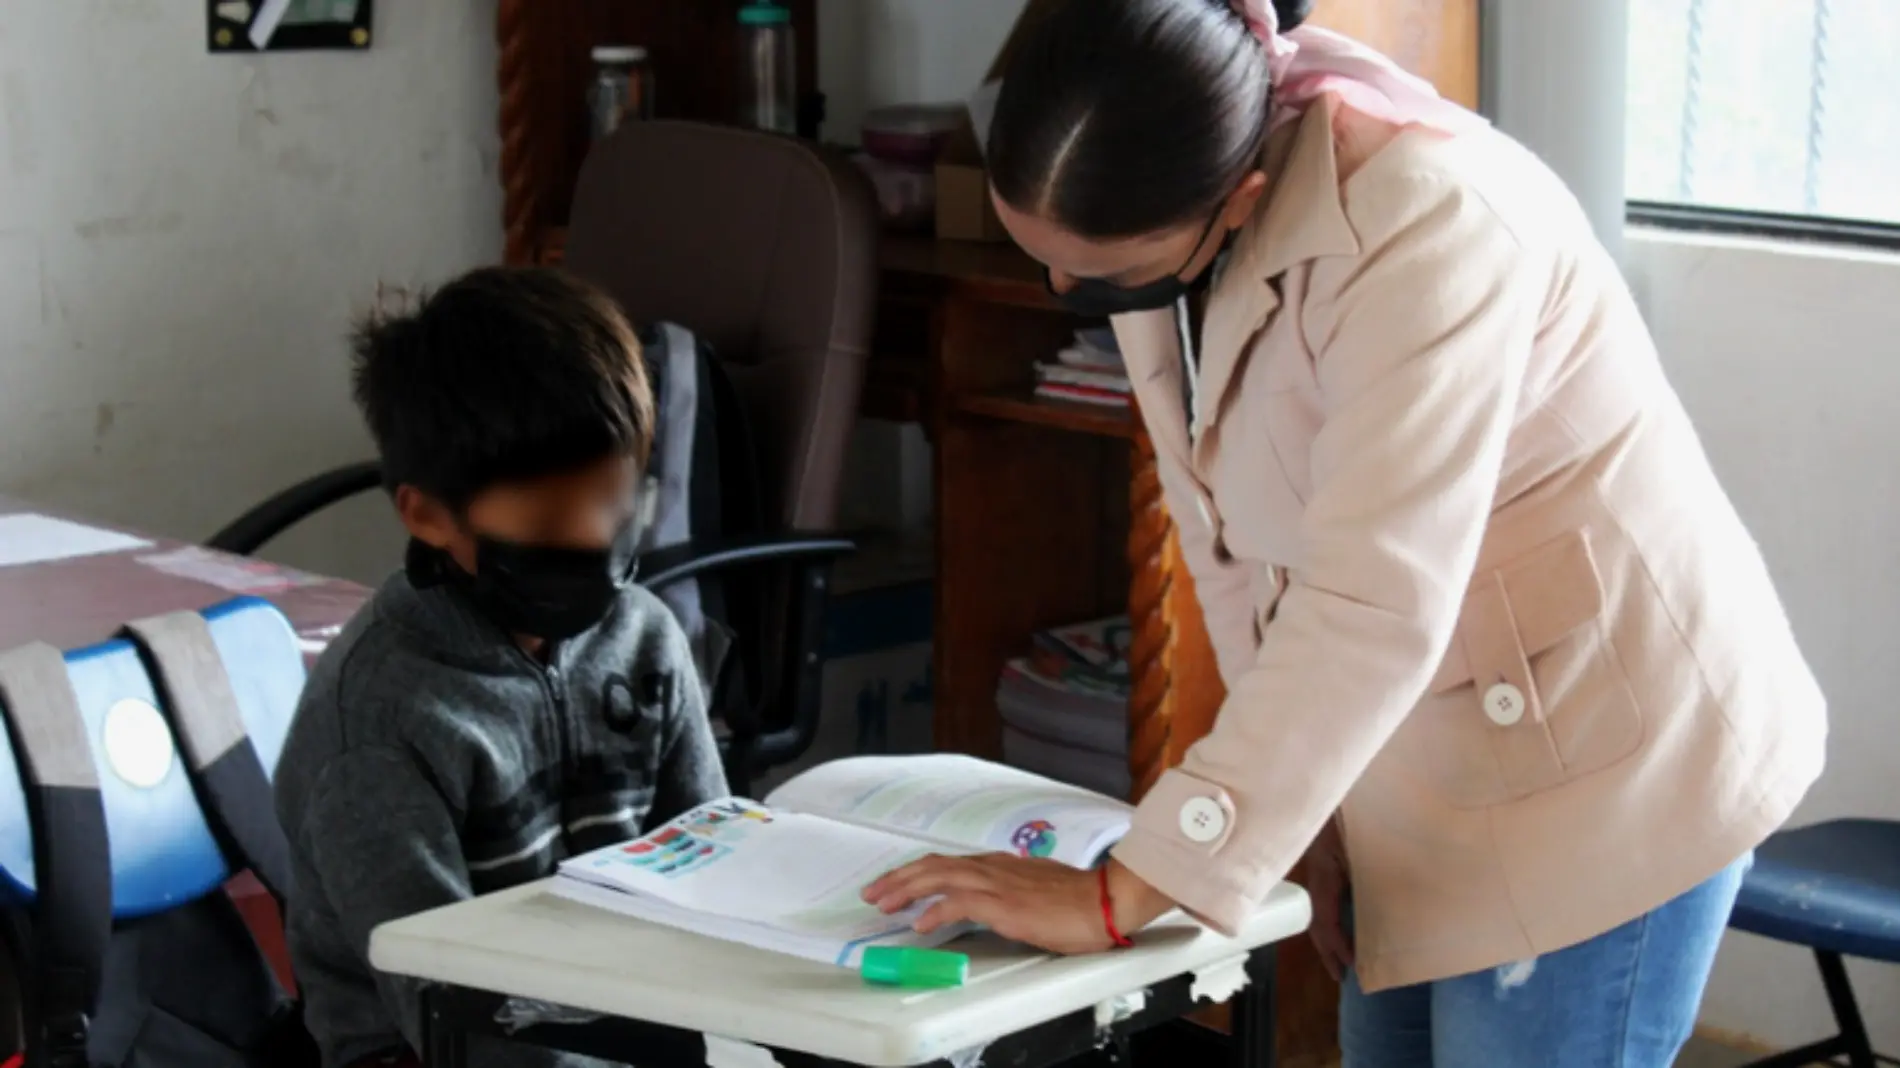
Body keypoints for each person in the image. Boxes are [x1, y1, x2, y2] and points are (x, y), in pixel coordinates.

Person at [863, 1, 1828, 1064]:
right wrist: (1298, 818)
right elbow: (1222, 538)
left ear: (1242, 200)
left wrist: (1132, 887)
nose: (1063, 291)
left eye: (1100, 277)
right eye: (1046, 259)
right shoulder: (1167, 176)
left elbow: (1371, 599)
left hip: (1600, 760)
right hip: (1418, 748)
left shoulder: (1435, 224)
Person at [274, 267, 726, 1068]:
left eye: (613, 501)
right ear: (428, 515)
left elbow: (715, 872)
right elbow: (451, 1013)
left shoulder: (645, 640)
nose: (592, 535)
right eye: (551, 515)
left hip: (641, 1036)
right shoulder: (378, 726)